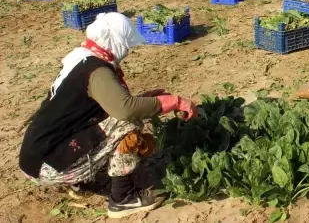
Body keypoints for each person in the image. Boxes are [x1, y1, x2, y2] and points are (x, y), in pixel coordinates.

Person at [18, 13, 198, 219]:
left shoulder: (81, 59)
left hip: (35, 158)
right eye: (126, 44)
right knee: (128, 123)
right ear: (114, 40)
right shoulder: (98, 72)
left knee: (118, 118)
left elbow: (90, 109)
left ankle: (80, 180)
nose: (128, 50)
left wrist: (146, 99)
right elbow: (126, 110)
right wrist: (175, 101)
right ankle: (123, 198)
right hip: (47, 167)